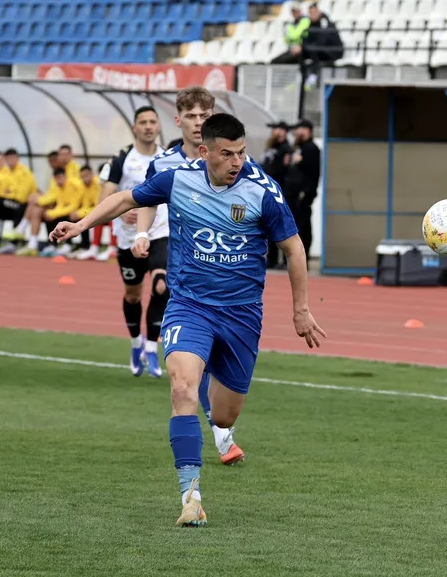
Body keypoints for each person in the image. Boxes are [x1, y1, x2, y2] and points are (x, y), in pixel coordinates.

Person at [49, 113, 327, 527]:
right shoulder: (179, 179)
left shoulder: (263, 190)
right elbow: (126, 199)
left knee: (224, 416)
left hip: (241, 315)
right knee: (182, 388)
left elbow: (293, 248)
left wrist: (300, 309)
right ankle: (191, 497)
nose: (237, 162)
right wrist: (81, 224)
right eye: (227, 154)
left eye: (241, 152)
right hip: (189, 306)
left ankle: (211, 375)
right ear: (204, 151)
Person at [134, 88, 246, 466]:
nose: (199, 122)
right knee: (189, 343)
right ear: (179, 120)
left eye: (205, 115)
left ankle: (219, 424)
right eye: (193, 116)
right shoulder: (165, 164)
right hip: (177, 252)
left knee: (214, 354)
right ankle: (220, 435)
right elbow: (145, 200)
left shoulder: (232, 159)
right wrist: (142, 233)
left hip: (221, 265)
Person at [96, 106, 166, 377]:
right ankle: (136, 343)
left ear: (158, 126)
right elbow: (104, 200)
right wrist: (123, 211)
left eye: (152, 122)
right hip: (128, 240)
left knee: (162, 286)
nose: (148, 126)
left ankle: (151, 347)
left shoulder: (168, 157)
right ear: (134, 127)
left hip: (160, 233)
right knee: (133, 295)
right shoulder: (121, 159)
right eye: (143, 122)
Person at [15, 166, 82, 257]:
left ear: (65, 176)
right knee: (39, 210)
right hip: (65, 210)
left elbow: (73, 206)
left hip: (77, 211)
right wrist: (50, 212)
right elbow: (59, 202)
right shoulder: (58, 186)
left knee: (42, 209)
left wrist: (51, 213)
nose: (58, 181)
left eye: (60, 178)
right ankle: (35, 244)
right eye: (56, 179)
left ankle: (24, 231)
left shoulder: (74, 185)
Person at [284, 119, 320, 262]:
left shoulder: (311, 148)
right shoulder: (297, 147)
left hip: (304, 194)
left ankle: (304, 257)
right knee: (294, 225)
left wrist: (302, 161)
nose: (296, 132)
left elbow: (314, 170)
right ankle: (294, 256)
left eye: (299, 129)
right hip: (293, 193)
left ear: (307, 130)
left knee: (303, 225)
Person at [261, 121, 294, 269]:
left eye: (277, 129)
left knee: (282, 228)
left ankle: (284, 260)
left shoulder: (285, 149)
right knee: (269, 227)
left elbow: (283, 171)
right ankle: (272, 259)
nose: (274, 132)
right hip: (267, 191)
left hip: (279, 192)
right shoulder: (271, 147)